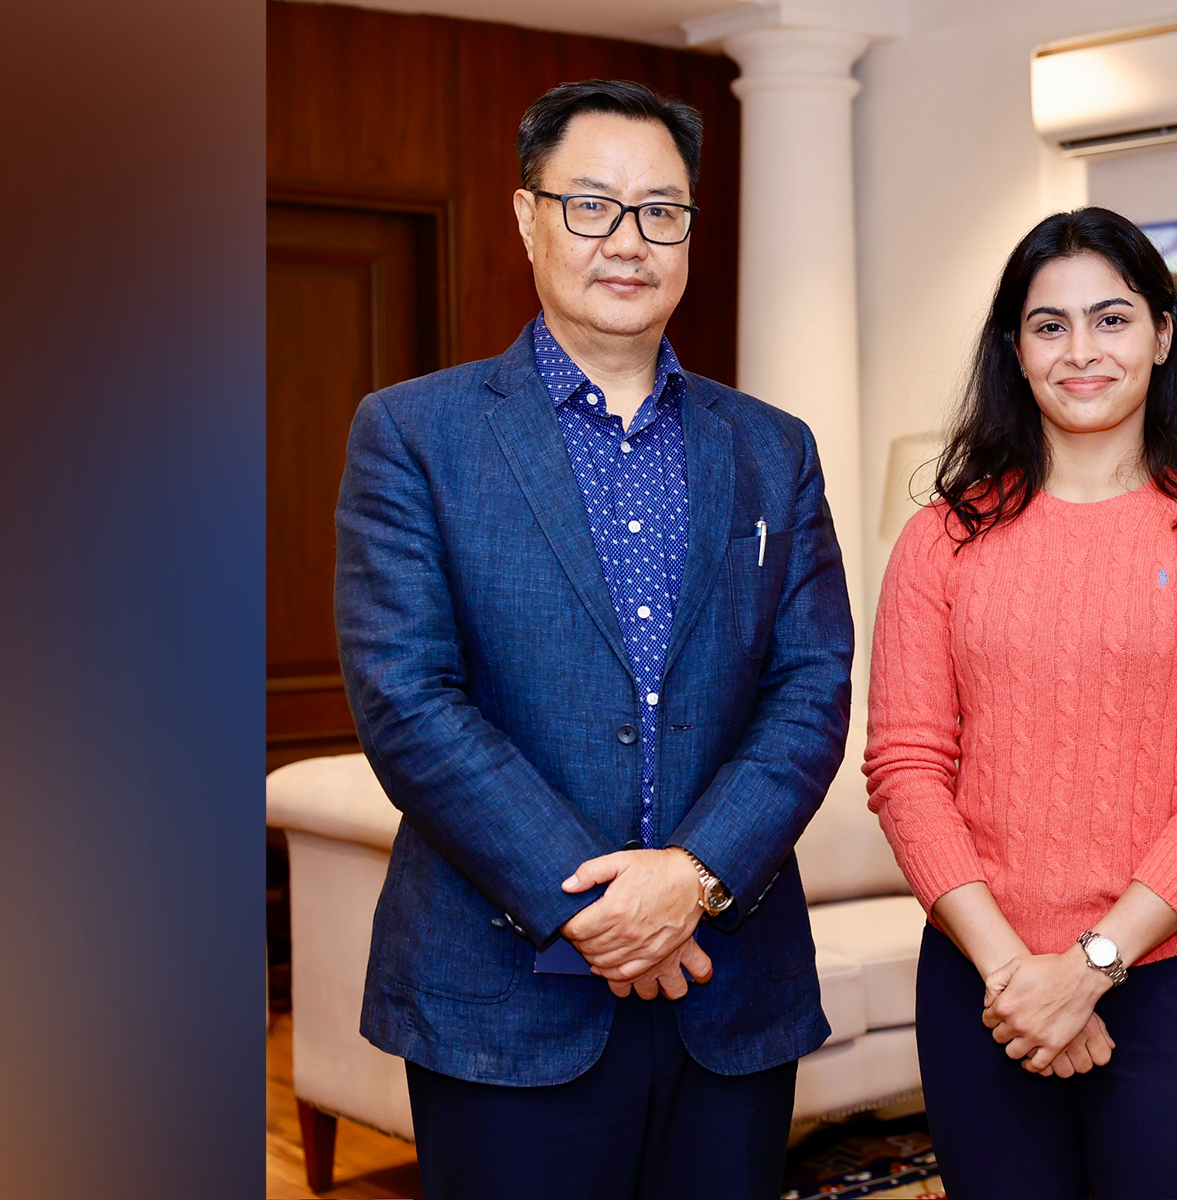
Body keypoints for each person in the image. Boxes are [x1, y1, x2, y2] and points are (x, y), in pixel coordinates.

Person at [335, 78, 853, 1199]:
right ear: (527, 218)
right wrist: (605, 913)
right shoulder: (416, 434)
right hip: (506, 992)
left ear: (689, 233)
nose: (629, 241)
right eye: (592, 205)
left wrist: (695, 877)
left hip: (733, 984)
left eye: (661, 210)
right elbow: (406, 700)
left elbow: (811, 688)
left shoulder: (773, 446)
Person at [863, 206, 1177, 1199]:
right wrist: (1018, 975)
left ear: (1160, 334)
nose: (1080, 351)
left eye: (1109, 319)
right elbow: (905, 770)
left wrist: (1090, 967)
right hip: (985, 981)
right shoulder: (940, 542)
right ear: (1014, 351)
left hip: (1173, 984)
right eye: (1048, 325)